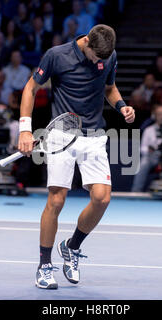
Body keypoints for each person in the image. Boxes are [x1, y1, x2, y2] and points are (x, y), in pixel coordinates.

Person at [17, 25, 135, 289]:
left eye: (104, 59)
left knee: (102, 198)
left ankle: (71, 247)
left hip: (94, 134)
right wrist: (25, 129)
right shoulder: (56, 56)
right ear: (86, 44)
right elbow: (30, 89)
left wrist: (122, 106)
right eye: (96, 57)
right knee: (57, 199)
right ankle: (45, 265)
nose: (99, 63)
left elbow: (110, 87)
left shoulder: (108, 55)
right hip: (61, 134)